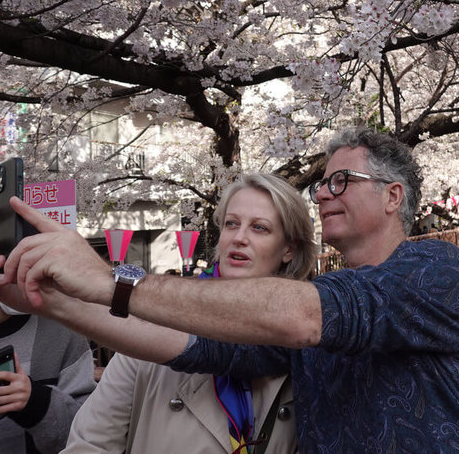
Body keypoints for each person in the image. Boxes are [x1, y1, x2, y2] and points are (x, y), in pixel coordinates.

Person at [0, 127, 459, 453]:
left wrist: (110, 279)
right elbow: (190, 345)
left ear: (393, 197)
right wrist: (53, 300)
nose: (326, 195)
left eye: (342, 182)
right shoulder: (313, 306)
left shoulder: (436, 267)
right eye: (322, 186)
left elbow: (308, 317)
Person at [63, 173, 314, 454]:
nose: (239, 238)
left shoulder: (304, 343)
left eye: (259, 228)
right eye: (231, 224)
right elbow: (89, 445)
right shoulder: (152, 325)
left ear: (288, 250)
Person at [0, 222, 96, 454]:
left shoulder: (62, 331)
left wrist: (36, 403)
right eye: (28, 269)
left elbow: (93, 432)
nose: (43, 282)